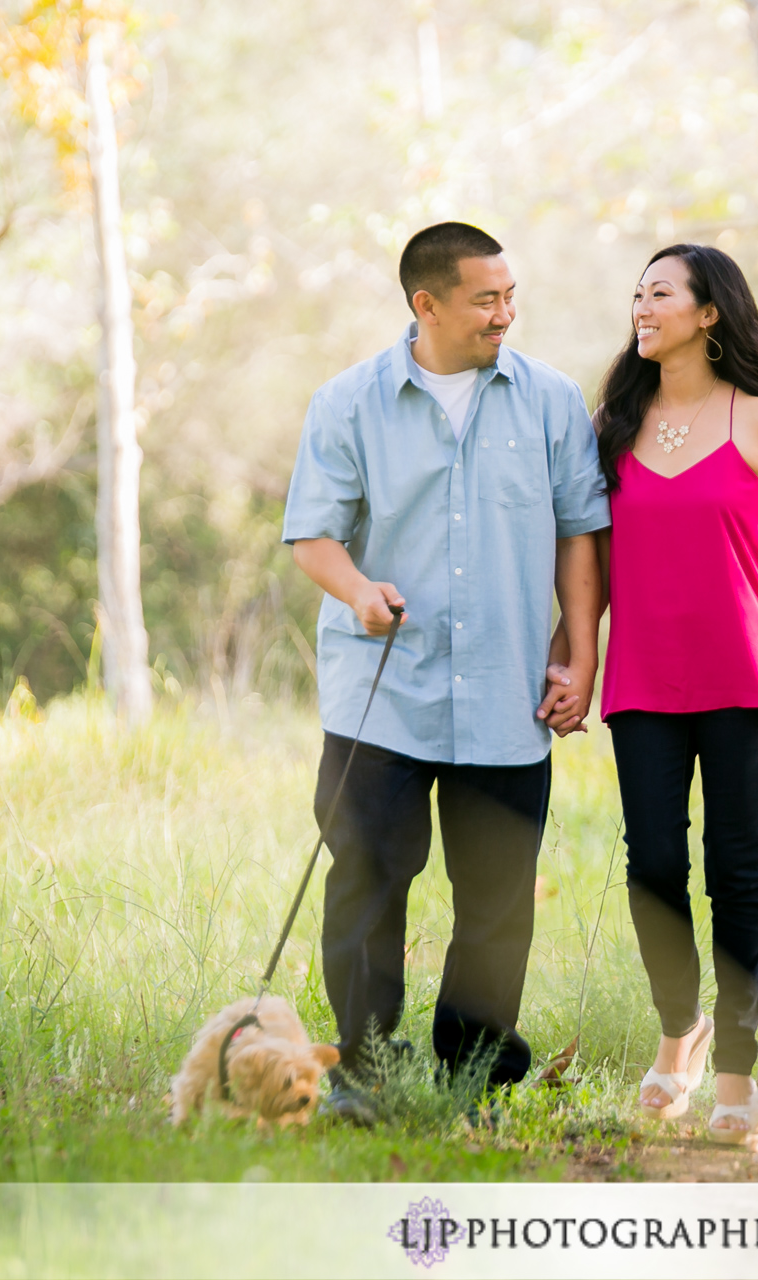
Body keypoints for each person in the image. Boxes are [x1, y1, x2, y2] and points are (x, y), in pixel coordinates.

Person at [282, 221, 609, 1123]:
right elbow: (313, 534)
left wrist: (580, 654)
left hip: (507, 692)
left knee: (498, 901)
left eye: (510, 294)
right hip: (381, 691)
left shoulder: (549, 401)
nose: (506, 312)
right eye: (485, 298)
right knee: (367, 882)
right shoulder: (346, 403)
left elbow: (582, 533)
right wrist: (357, 590)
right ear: (426, 305)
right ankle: (365, 1072)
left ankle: (476, 1082)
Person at [589, 243, 758, 1143]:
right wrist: (570, 650)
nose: (641, 306)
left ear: (709, 314)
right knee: (654, 865)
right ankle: (679, 1030)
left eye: (660, 292)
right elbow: (598, 560)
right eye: (637, 292)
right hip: (642, 678)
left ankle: (734, 1069)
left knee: (736, 872)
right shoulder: (613, 423)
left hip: (744, 676)